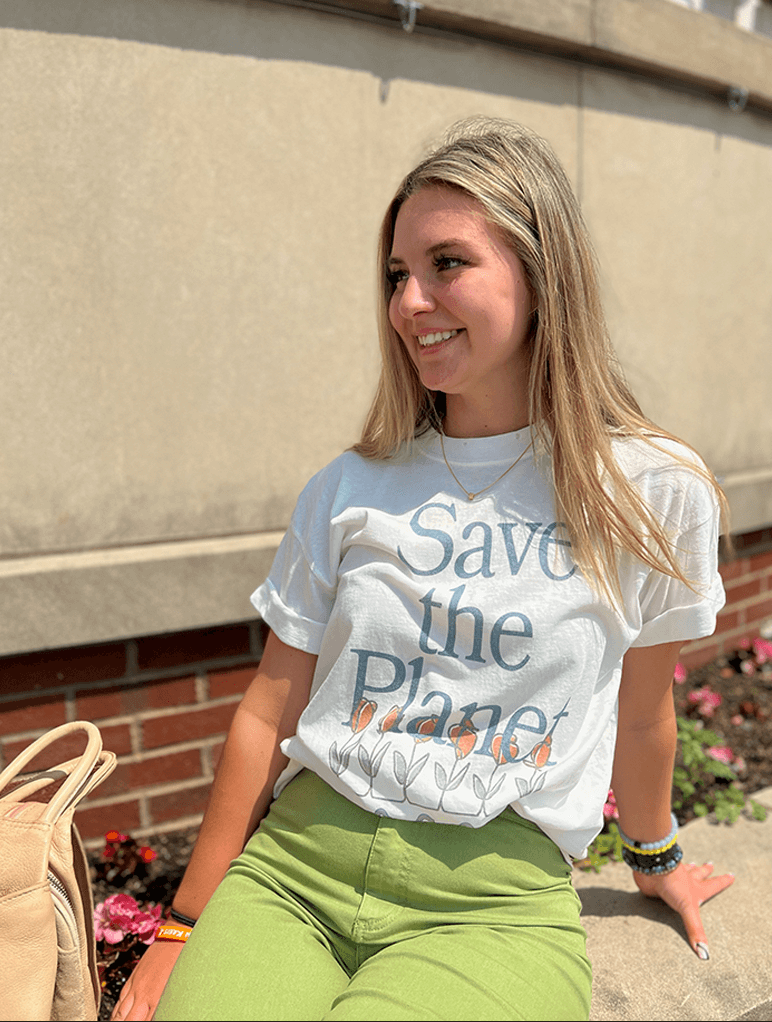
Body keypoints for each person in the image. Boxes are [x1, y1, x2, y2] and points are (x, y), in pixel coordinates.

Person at [114, 119, 734, 1022]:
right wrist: (181, 926)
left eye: (447, 263)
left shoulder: (649, 489)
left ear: (541, 272)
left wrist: (654, 857)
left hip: (491, 910)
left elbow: (642, 713)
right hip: (294, 877)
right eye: (397, 274)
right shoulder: (351, 485)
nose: (410, 301)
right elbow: (270, 706)